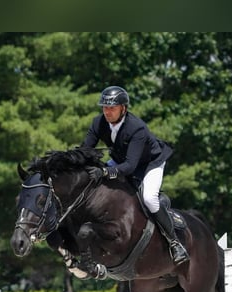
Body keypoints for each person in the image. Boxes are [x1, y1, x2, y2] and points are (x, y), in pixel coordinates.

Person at [81, 85, 189, 265]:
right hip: (122, 160)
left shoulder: (136, 128)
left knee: (149, 198)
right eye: (105, 107)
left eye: (112, 108)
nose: (107, 112)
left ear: (123, 108)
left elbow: (130, 166)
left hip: (149, 163)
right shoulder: (98, 123)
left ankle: (174, 242)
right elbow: (85, 150)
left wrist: (105, 171)